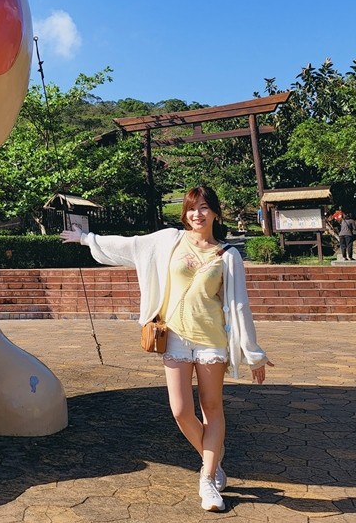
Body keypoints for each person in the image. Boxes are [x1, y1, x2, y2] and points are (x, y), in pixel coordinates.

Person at [61, 185, 272, 512]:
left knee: (211, 408)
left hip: (210, 339)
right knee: (180, 411)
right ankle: (211, 459)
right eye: (191, 208)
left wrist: (253, 352)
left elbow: (240, 306)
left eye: (203, 208)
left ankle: (208, 478)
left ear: (215, 212)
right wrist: (88, 239)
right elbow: (129, 247)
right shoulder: (169, 240)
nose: (196, 214)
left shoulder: (228, 255)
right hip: (173, 336)